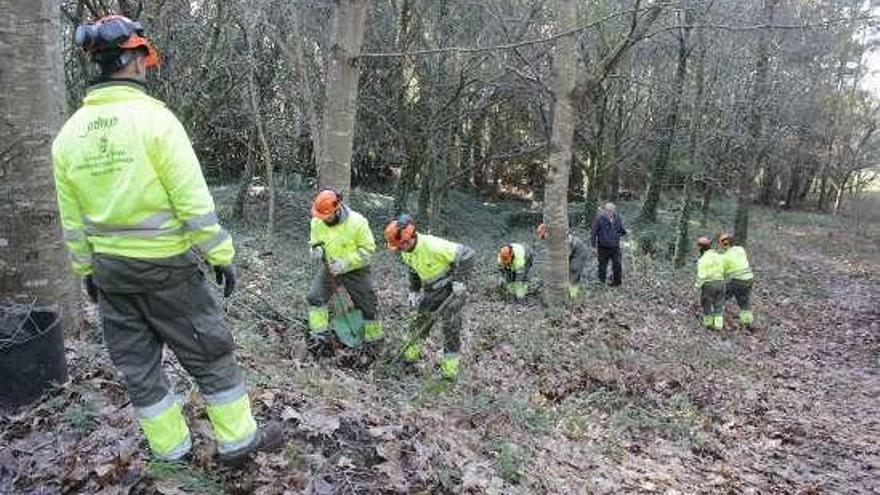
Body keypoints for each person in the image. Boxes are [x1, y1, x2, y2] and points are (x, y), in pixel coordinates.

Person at [52, 15, 279, 465]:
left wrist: (85, 271)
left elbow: (72, 222)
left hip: (110, 271)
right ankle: (238, 441)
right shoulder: (156, 122)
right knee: (209, 350)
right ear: (134, 59)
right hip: (167, 268)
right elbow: (194, 205)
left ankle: (170, 451)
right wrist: (221, 255)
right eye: (143, 58)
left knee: (137, 366)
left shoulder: (68, 136)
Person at [384, 215, 475, 379]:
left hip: (451, 290)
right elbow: (413, 270)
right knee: (419, 322)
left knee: (451, 329)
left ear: (408, 240)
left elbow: (468, 255)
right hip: (431, 290)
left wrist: (459, 281)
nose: (399, 250)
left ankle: (449, 373)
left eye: (400, 246)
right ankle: (408, 359)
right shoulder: (406, 252)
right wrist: (414, 289)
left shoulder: (432, 245)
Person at [306, 189, 383, 349]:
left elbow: (368, 251)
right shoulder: (317, 221)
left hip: (356, 269)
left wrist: (346, 263)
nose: (322, 219)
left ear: (337, 209)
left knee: (368, 305)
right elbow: (315, 241)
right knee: (314, 296)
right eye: (319, 216)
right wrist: (315, 250)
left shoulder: (357, 222)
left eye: (325, 216)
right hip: (330, 267)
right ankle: (320, 338)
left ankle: (373, 343)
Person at [536, 223, 589, 298]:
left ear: (547, 233)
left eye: (543, 236)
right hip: (572, 252)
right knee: (567, 271)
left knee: (573, 272)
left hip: (579, 252)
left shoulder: (561, 239)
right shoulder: (553, 238)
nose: (543, 239)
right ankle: (569, 292)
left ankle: (573, 295)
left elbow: (564, 256)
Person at [718, 232, 755, 327]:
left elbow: (722, 272)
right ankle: (747, 323)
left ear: (722, 245)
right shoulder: (740, 249)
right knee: (744, 302)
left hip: (737, 281)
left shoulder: (724, 257)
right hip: (749, 279)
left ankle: (715, 319)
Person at [590, 202, 627, 286]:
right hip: (603, 246)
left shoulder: (618, 218)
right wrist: (593, 246)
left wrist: (623, 233)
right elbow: (593, 232)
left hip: (615, 246)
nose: (609, 212)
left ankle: (617, 283)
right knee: (602, 266)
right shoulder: (599, 219)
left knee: (617, 265)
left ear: (614, 210)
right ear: (604, 210)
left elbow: (620, 229)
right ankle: (601, 283)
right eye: (607, 210)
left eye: (611, 210)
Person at [695, 236, 725, 331]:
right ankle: (718, 326)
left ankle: (707, 325)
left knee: (706, 304)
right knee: (719, 305)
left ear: (701, 248)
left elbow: (701, 276)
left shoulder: (703, 260)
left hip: (709, 285)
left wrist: (697, 286)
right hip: (721, 283)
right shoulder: (718, 256)